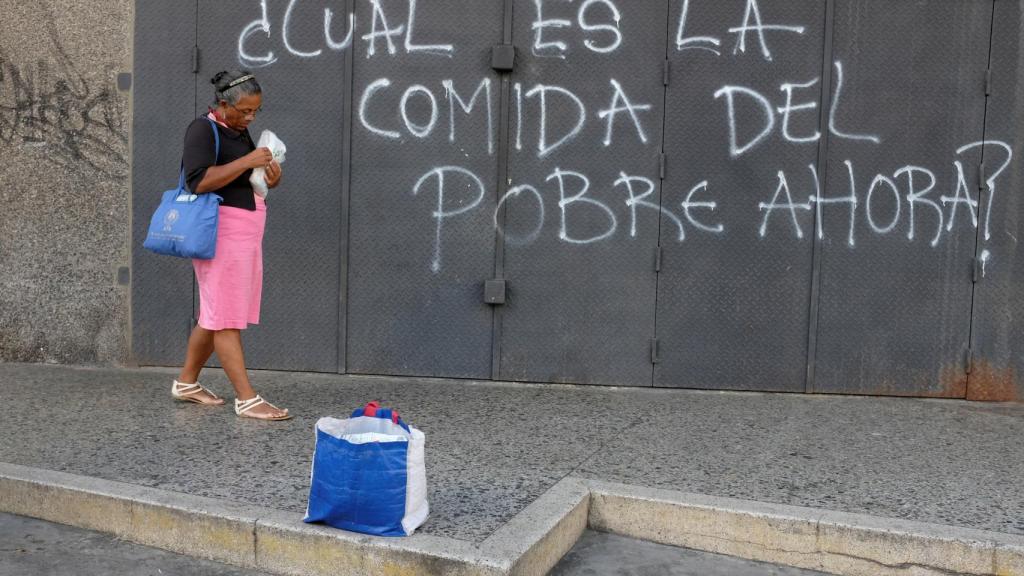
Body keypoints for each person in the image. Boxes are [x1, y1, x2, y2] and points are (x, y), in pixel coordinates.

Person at [169, 70, 290, 421]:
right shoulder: (201, 129)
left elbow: (242, 179)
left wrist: (270, 176)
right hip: (218, 232)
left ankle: (186, 383)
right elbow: (198, 181)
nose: (251, 117)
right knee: (225, 318)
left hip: (243, 231)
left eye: (256, 111)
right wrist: (246, 161)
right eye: (245, 111)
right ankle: (247, 399)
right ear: (223, 105)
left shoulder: (238, 130)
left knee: (215, 313)